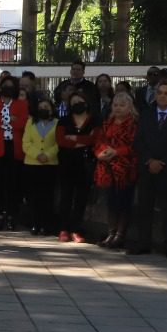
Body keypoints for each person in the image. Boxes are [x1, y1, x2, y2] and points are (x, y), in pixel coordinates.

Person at [129, 80, 167, 258]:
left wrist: (162, 162)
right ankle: (143, 243)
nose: (162, 96)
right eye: (160, 92)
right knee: (144, 207)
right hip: (147, 168)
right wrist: (149, 160)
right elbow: (139, 141)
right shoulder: (146, 115)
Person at [94, 91, 139, 248]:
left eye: (122, 105)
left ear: (130, 107)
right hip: (107, 168)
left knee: (124, 203)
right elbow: (99, 141)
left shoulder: (133, 124)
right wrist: (100, 152)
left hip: (125, 169)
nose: (118, 108)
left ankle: (120, 235)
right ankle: (111, 233)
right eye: (115, 105)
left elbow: (135, 146)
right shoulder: (108, 122)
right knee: (111, 202)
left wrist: (117, 152)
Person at [0, 76, 29, 230]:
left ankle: (11, 215)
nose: (8, 88)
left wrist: (3, 120)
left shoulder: (22, 104)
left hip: (14, 147)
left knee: (13, 183)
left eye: (11, 86)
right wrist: (11, 120)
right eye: (5, 85)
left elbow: (22, 123)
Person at [55, 91, 97, 243]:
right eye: (73, 102)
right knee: (65, 196)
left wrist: (74, 138)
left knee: (81, 198)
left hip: (85, 163)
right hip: (67, 163)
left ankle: (76, 229)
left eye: (79, 101)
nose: (76, 104)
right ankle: (63, 228)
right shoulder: (64, 121)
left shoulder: (94, 120)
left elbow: (95, 139)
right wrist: (82, 141)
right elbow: (60, 140)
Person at [21, 96, 60, 236]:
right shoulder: (30, 122)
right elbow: (26, 143)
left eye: (46, 107)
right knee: (33, 196)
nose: (44, 110)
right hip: (32, 163)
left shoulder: (57, 123)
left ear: (52, 109)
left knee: (47, 196)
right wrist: (37, 155)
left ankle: (46, 224)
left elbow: (58, 143)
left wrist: (47, 155)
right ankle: (34, 223)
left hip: (50, 164)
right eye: (41, 108)